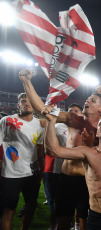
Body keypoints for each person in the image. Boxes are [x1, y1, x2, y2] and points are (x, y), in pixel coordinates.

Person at [19, 68, 101, 230]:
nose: (87, 101)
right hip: (66, 179)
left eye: (93, 100)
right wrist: (27, 82)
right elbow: (42, 108)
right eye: (87, 99)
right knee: (62, 222)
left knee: (85, 223)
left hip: (90, 182)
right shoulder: (73, 119)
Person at [0, 93, 44, 230]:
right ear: (18, 105)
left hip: (32, 174)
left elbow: (40, 148)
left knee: (31, 206)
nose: (27, 103)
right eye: (23, 101)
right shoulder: (7, 121)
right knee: (8, 210)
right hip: (10, 174)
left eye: (30, 101)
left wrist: (41, 169)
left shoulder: (40, 124)